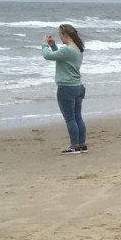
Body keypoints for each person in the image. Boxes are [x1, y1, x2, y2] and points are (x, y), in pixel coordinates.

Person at [43, 23, 87, 154]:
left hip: (67, 88)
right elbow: (59, 55)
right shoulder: (77, 48)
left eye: (60, 35)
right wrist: (53, 46)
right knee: (78, 117)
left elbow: (48, 56)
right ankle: (81, 144)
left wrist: (45, 44)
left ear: (65, 35)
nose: (60, 38)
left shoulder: (68, 50)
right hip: (78, 86)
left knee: (70, 119)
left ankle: (74, 146)